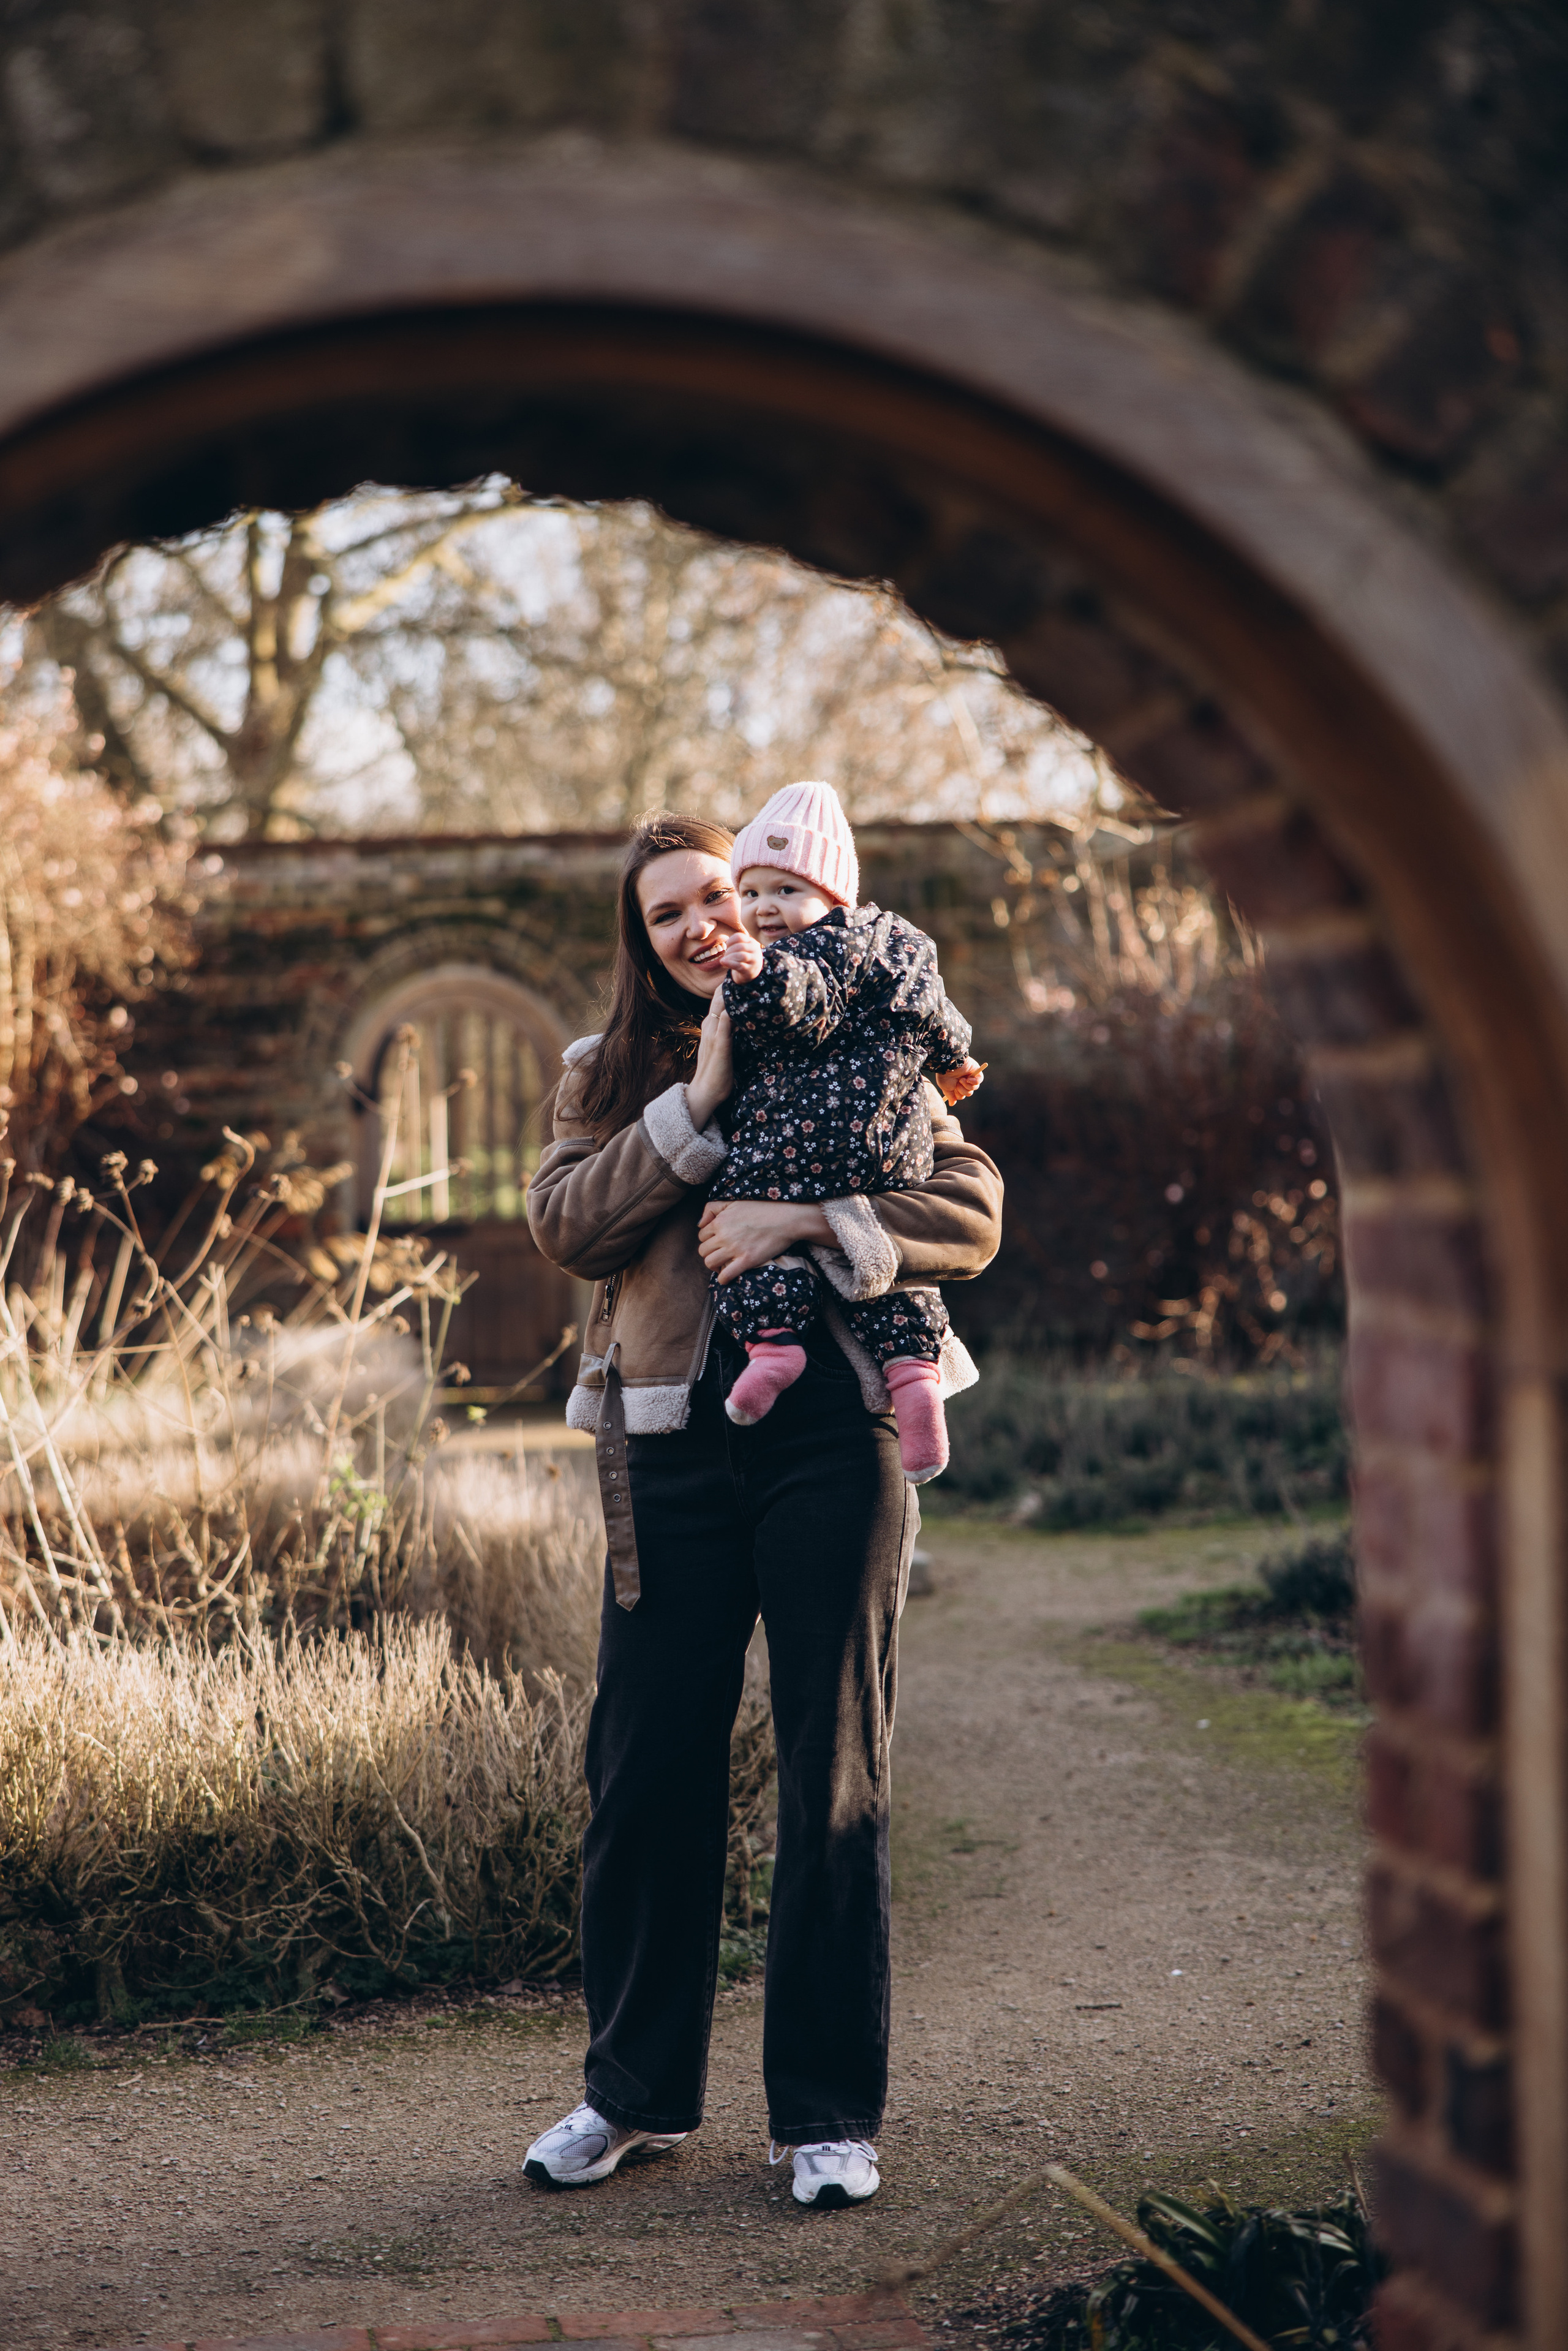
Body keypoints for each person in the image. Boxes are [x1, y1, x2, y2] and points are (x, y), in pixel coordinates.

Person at [523, 812, 1003, 2210]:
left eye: (720, 894)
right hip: (668, 1450)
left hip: (833, 1437)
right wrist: (698, 1102)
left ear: (770, 898)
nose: (700, 923)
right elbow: (567, 1225)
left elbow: (968, 1207)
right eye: (666, 911)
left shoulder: (858, 1012)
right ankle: (631, 2094)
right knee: (643, 1776)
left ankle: (826, 2115)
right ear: (642, 940)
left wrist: (809, 1222)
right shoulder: (605, 1071)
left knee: (832, 1769)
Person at [708, 780, 987, 1484]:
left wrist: (755, 978)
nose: (763, 909)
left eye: (785, 890)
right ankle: (916, 1386)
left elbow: (806, 1005)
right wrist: (953, 1060)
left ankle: (773, 1348)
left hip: (795, 1153)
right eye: (750, 892)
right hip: (889, 1158)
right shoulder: (908, 946)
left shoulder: (807, 957)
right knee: (894, 1287)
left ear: (833, 897)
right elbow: (935, 1011)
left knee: (741, 1232)